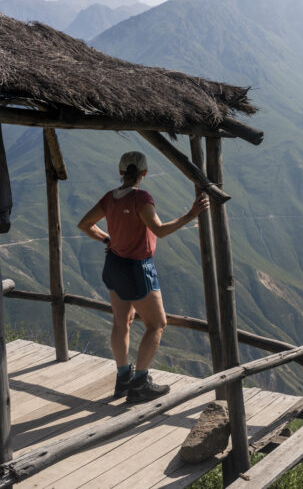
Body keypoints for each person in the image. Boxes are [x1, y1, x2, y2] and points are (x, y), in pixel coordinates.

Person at [78, 151, 209, 404]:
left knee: (121, 322)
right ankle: (140, 383)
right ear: (144, 173)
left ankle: (123, 378)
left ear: (120, 172)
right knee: (157, 324)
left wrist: (108, 239)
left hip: (114, 265)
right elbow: (159, 230)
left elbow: (84, 224)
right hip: (138, 268)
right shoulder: (142, 198)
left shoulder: (109, 198)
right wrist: (191, 215)